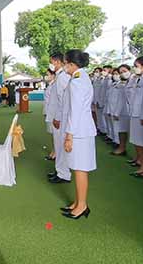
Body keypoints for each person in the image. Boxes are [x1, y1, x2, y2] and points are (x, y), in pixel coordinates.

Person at [60, 50, 97, 219]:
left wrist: (69, 135)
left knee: (80, 169)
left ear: (72, 64)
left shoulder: (76, 81)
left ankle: (82, 205)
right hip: (81, 129)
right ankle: (78, 202)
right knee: (77, 168)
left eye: (65, 62)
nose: (63, 65)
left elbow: (75, 111)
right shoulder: (80, 78)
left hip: (79, 132)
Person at [47, 53, 72, 184]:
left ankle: (63, 173)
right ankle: (60, 170)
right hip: (58, 116)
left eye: (51, 62)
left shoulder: (62, 77)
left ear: (57, 62)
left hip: (61, 118)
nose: (50, 64)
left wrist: (57, 117)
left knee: (60, 146)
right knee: (58, 145)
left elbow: (62, 100)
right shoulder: (59, 76)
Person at [110, 64, 132, 156]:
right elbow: (121, 99)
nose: (123, 73)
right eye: (121, 72)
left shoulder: (134, 81)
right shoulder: (124, 83)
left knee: (133, 135)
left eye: (124, 71)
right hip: (123, 111)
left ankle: (140, 159)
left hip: (130, 111)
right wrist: (117, 112)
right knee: (121, 130)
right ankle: (122, 148)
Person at [44, 68, 57, 161]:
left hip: (53, 113)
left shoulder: (55, 85)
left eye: (48, 74)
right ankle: (54, 151)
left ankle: (55, 153)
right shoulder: (50, 85)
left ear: (53, 75)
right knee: (52, 134)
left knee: (55, 135)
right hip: (49, 112)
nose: (46, 76)